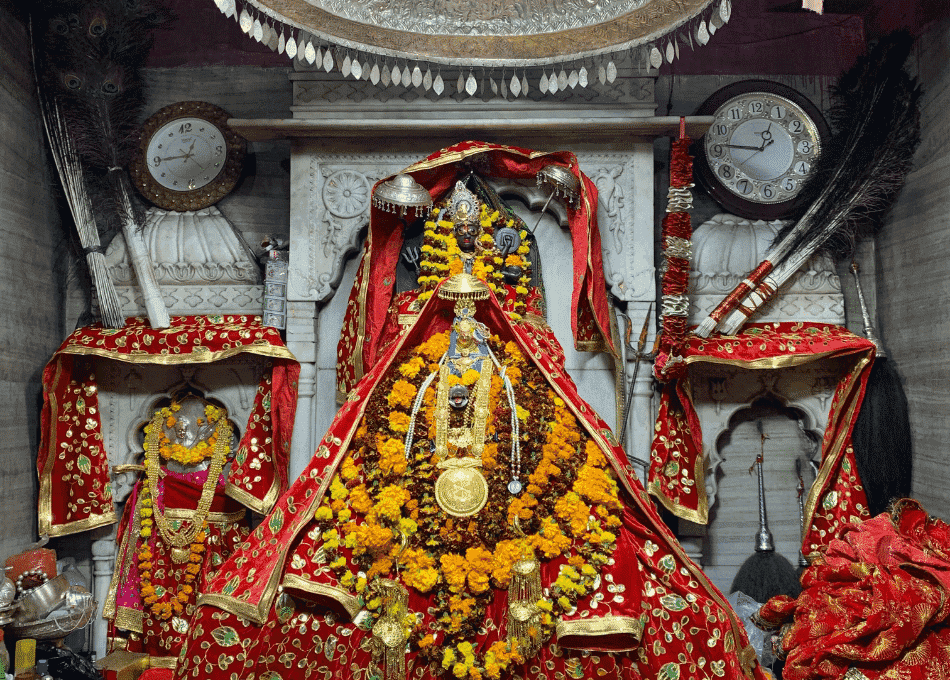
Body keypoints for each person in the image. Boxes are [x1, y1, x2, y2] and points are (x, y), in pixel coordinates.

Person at [173, 171, 767, 680]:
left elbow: (551, 428)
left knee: (664, 597)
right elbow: (382, 433)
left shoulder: (520, 361)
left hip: (518, 507)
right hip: (410, 512)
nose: (467, 325)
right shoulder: (419, 352)